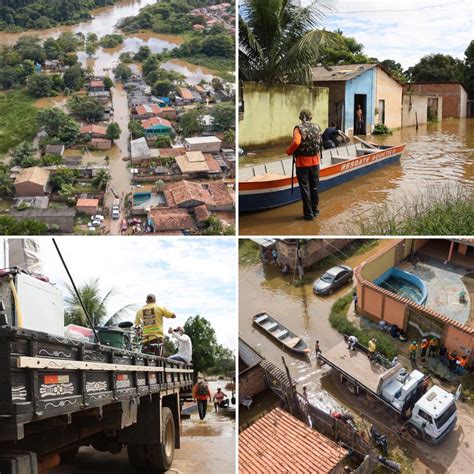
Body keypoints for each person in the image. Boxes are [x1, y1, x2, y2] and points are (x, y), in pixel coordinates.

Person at [286, 108, 322, 221]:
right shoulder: (317, 127)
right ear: (311, 117)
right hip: (315, 162)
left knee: (305, 189)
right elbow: (320, 142)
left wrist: (289, 151)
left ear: (301, 118)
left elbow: (296, 142)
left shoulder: (298, 129)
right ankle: (315, 210)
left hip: (302, 163)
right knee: (314, 187)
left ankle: (308, 214)